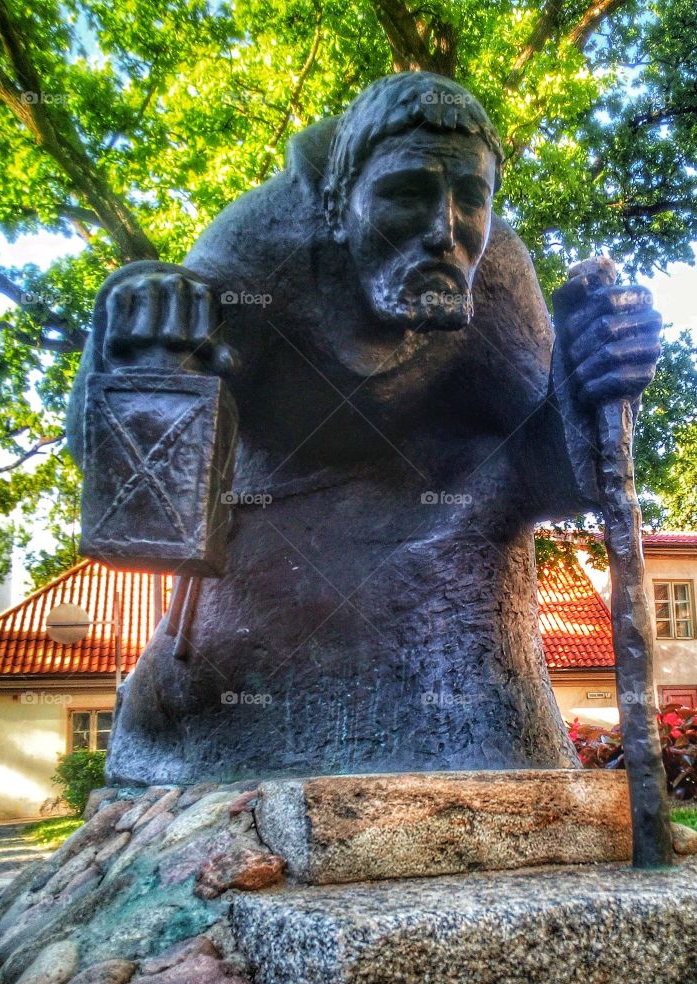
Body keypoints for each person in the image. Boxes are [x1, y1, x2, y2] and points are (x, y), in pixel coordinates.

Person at [67, 72, 662, 785]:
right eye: (406, 193)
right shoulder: (253, 250)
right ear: (335, 201)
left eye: (470, 198)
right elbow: (152, 515)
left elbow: (548, 477)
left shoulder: (498, 271)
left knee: (496, 787)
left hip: (456, 611)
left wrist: (587, 387)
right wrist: (143, 359)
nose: (444, 228)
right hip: (269, 606)